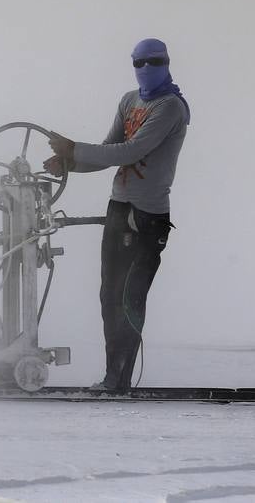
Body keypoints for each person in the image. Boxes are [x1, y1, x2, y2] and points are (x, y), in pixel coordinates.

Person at [43, 38, 191, 391]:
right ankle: (113, 376)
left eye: (153, 61)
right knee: (109, 295)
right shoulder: (128, 100)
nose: (146, 68)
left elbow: (132, 151)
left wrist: (74, 147)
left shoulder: (171, 107)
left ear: (167, 62)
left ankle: (119, 379)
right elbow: (110, 150)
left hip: (148, 216)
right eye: (139, 62)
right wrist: (70, 163)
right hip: (118, 207)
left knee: (130, 297)